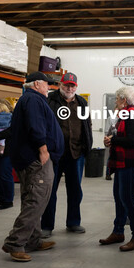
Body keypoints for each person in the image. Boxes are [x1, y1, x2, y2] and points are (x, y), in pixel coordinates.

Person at [2, 72, 64, 262]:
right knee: (36, 200)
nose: (49, 87)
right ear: (37, 84)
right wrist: (43, 149)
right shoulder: (34, 100)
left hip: (32, 159)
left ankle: (33, 239)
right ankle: (15, 243)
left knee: (34, 199)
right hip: (36, 160)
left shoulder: (29, 99)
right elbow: (36, 126)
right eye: (47, 84)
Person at [41, 72, 93, 238]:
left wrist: (87, 145)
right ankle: (47, 225)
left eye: (72, 86)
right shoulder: (50, 100)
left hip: (76, 153)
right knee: (50, 191)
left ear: (76, 87)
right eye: (66, 85)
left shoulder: (82, 102)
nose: (69, 88)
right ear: (60, 85)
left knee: (75, 190)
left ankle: (73, 222)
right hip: (54, 154)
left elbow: (86, 124)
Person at [99, 87, 134, 252]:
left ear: (124, 100)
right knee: (119, 198)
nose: (115, 102)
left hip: (130, 163)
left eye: (116, 99)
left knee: (128, 200)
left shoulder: (132, 114)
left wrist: (113, 139)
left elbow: (133, 140)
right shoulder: (126, 114)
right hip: (122, 163)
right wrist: (111, 139)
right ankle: (118, 232)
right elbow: (122, 136)